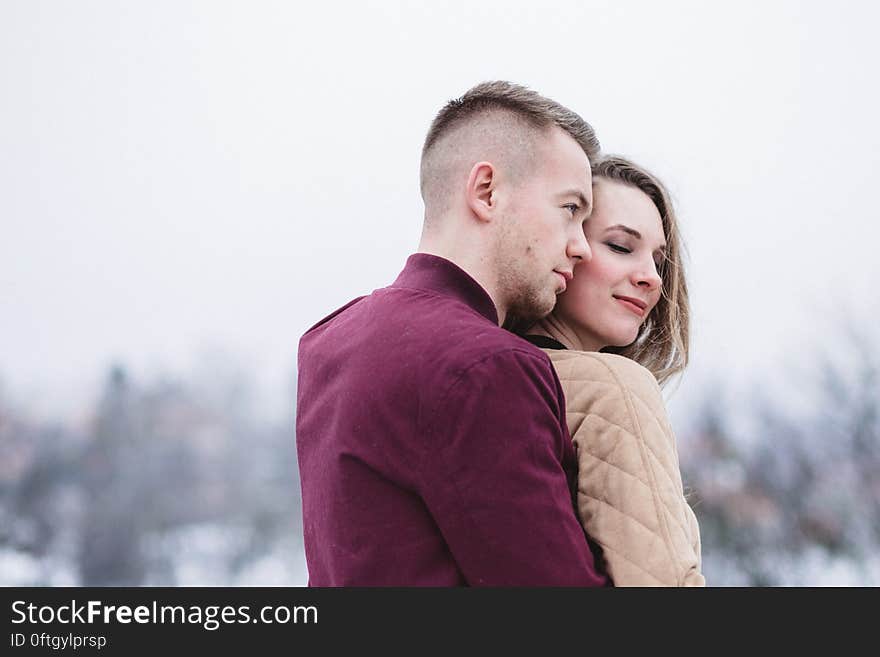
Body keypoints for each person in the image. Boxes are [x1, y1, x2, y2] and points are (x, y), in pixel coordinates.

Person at [296, 81, 610, 586]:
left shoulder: (327, 340)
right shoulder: (487, 367)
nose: (582, 248)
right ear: (487, 192)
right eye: (570, 209)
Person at [522, 155, 705, 586]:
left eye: (659, 262)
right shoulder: (616, 389)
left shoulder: (484, 373)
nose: (652, 279)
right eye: (621, 246)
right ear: (564, 247)